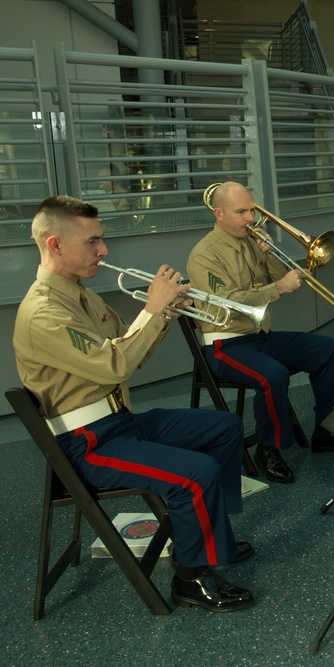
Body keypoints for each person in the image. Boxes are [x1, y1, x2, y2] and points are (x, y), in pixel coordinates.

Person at [13, 195, 255, 613]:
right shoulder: (43, 312)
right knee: (196, 474)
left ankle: (212, 536)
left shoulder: (80, 294)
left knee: (225, 427)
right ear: (54, 244)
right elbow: (115, 365)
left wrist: (164, 314)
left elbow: (131, 352)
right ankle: (191, 578)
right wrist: (154, 310)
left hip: (118, 422)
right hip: (88, 444)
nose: (103, 251)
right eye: (92, 242)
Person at [186, 182, 334, 485]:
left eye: (252, 210)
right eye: (240, 212)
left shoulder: (251, 241)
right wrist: (277, 288)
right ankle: (268, 449)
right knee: (274, 376)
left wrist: (269, 255)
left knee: (331, 350)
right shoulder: (205, 254)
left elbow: (279, 281)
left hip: (260, 337)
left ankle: (328, 430)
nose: (250, 218)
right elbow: (227, 302)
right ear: (218, 214)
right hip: (224, 344)